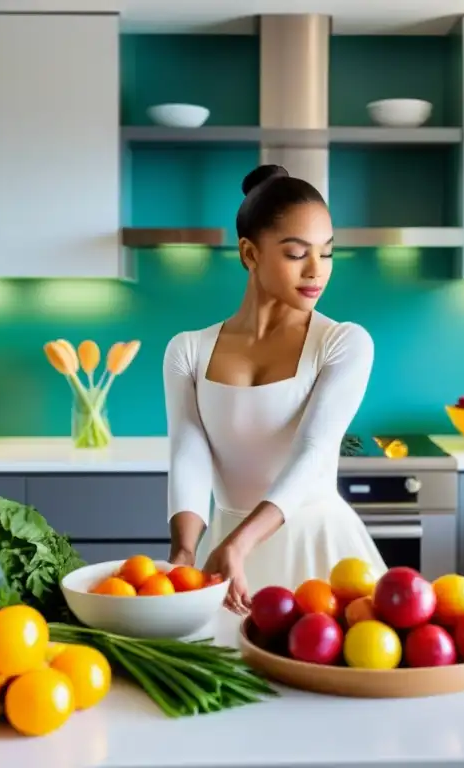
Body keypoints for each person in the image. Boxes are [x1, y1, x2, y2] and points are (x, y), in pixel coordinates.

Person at [163, 164, 387, 615]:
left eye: (326, 253)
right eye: (295, 254)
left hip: (318, 549)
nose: (315, 272)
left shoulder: (342, 342)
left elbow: (314, 451)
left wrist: (241, 543)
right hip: (225, 551)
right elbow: (187, 452)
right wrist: (184, 555)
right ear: (249, 253)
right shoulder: (187, 349)